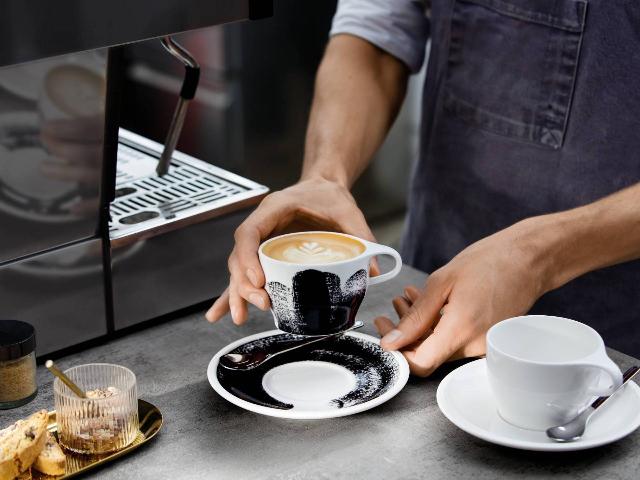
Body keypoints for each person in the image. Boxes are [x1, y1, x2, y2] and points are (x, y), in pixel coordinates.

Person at [206, 0, 640, 376]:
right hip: (430, 286)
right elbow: (377, 33)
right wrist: (325, 175)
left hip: (619, 337)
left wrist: (536, 255)